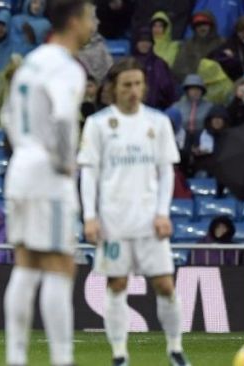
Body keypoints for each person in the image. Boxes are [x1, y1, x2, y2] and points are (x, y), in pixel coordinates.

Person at [79, 58, 190, 365]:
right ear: (113, 88)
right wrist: (90, 216)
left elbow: (167, 171)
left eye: (138, 84)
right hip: (113, 221)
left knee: (165, 284)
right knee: (117, 284)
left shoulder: (158, 122)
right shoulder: (99, 124)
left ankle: (175, 349)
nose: (133, 90)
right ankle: (119, 354)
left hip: (149, 220)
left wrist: (162, 212)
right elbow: (89, 173)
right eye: (126, 85)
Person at [2, 1, 95, 365]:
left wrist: (27, 148)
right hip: (47, 173)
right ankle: (62, 358)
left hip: (21, 166)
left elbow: (8, 116)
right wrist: (63, 162)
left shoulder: (30, 62)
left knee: (26, 265)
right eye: (90, 17)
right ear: (74, 21)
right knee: (60, 265)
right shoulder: (66, 67)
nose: (94, 23)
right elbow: (61, 117)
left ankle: (16, 357)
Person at [173, 74, 214, 173]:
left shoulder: (209, 107)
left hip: (202, 138)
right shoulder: (177, 106)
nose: (195, 92)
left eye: (198, 89)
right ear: (186, 90)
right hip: (182, 138)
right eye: (192, 89)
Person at [131, 28, 177, 110]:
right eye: (141, 41)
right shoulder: (129, 63)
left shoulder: (159, 63)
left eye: (147, 41)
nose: (144, 44)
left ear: (152, 44)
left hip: (157, 108)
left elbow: (168, 89)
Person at [172, 11, 224, 83]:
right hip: (191, 85)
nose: (202, 28)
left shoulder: (221, 43)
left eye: (205, 24)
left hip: (216, 84)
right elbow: (179, 68)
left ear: (211, 25)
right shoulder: (187, 44)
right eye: (198, 25)